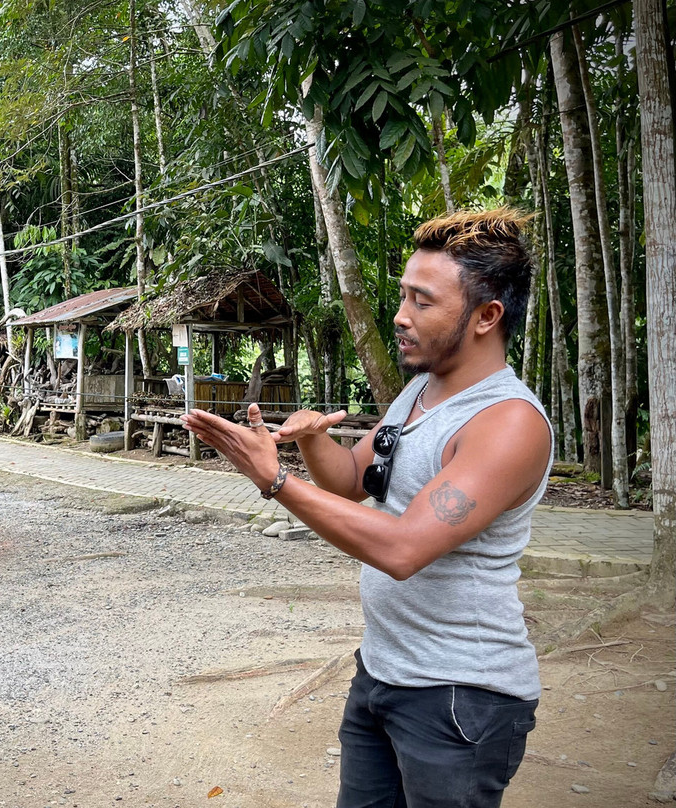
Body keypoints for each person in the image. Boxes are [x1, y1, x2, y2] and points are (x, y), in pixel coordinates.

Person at [182, 208, 553, 808]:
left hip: (461, 693)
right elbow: (353, 480)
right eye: (404, 295)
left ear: (487, 316)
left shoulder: (508, 423)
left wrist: (275, 482)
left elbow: (404, 548)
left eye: (423, 302)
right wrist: (308, 444)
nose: (402, 316)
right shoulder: (420, 391)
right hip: (382, 672)